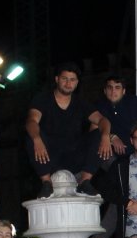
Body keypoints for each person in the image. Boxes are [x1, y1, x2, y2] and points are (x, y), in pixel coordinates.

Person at [26, 61, 112, 198]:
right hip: (49, 155)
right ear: (57, 79)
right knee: (32, 133)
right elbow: (31, 121)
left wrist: (106, 136)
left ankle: (85, 181)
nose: (68, 83)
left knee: (99, 134)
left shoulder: (80, 102)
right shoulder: (42, 99)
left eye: (72, 80)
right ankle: (46, 183)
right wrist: (36, 139)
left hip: (74, 155)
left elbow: (102, 120)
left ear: (77, 83)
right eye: (64, 79)